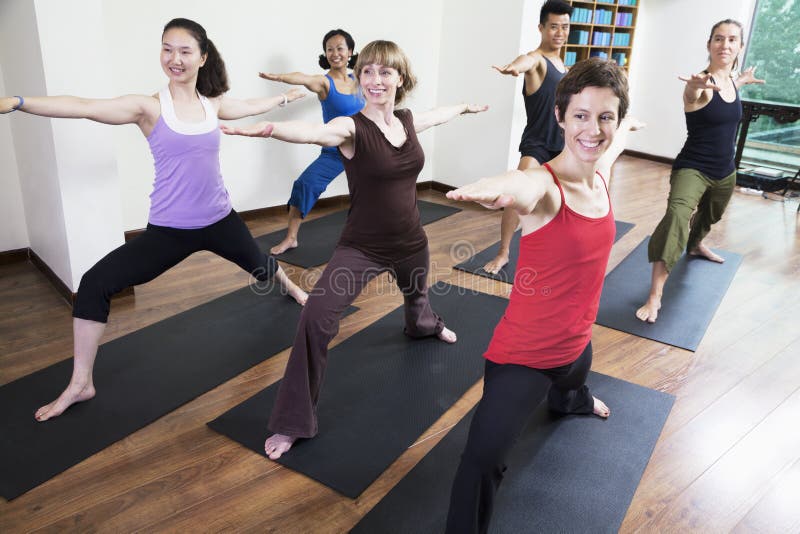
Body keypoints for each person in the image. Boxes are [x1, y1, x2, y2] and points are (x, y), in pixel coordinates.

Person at [0, 18, 309, 422]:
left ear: (203, 56)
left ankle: (292, 290)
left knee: (258, 262)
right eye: (167, 49)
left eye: (184, 51)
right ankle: (81, 383)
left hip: (220, 218)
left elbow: (251, 106)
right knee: (95, 283)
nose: (174, 58)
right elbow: (84, 107)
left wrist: (284, 98)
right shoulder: (148, 106)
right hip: (170, 230)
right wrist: (20, 102)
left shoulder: (212, 104)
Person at [221, 39, 488, 460]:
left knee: (417, 298)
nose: (375, 79)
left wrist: (465, 108)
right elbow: (313, 133)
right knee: (316, 319)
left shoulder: (407, 120)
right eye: (368, 71)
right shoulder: (350, 127)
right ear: (360, 79)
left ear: (400, 78)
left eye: (385, 72)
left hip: (412, 240)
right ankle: (293, 422)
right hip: (362, 247)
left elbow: (438, 115)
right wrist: (269, 129)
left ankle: (425, 326)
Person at [443, 58, 638, 533]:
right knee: (482, 460)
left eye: (605, 117)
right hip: (524, 357)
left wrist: (629, 129)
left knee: (573, 384)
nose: (593, 130)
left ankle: (572, 400)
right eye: (581, 116)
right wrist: (496, 187)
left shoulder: (601, 175)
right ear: (559, 117)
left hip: (577, 347)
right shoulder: (546, 188)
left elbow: (612, 149)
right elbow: (523, 185)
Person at [635, 19, 765, 323]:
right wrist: (692, 89)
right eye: (719, 39)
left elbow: (731, 87)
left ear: (740, 47)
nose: (725, 45)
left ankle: (694, 245)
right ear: (709, 45)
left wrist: (742, 80)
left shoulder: (731, 81)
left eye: (733, 40)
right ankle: (655, 295)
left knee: (711, 215)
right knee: (677, 216)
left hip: (725, 169)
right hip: (693, 167)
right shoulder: (703, 84)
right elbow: (693, 98)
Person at [483, 0, 573, 275]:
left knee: (559, 204)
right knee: (514, 195)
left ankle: (552, 254)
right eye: (554, 26)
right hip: (537, 145)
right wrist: (514, 66)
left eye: (565, 27)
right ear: (541, 28)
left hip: (562, 148)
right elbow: (527, 61)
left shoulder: (566, 69)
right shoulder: (537, 61)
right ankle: (503, 253)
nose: (559, 32)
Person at [258, 29, 365, 255]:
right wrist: (280, 78)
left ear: (350, 52)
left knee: (379, 188)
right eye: (329, 49)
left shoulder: (360, 78)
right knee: (305, 184)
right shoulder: (324, 83)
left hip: (366, 148)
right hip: (336, 150)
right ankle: (291, 238)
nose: (334, 53)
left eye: (340, 48)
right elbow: (303, 77)